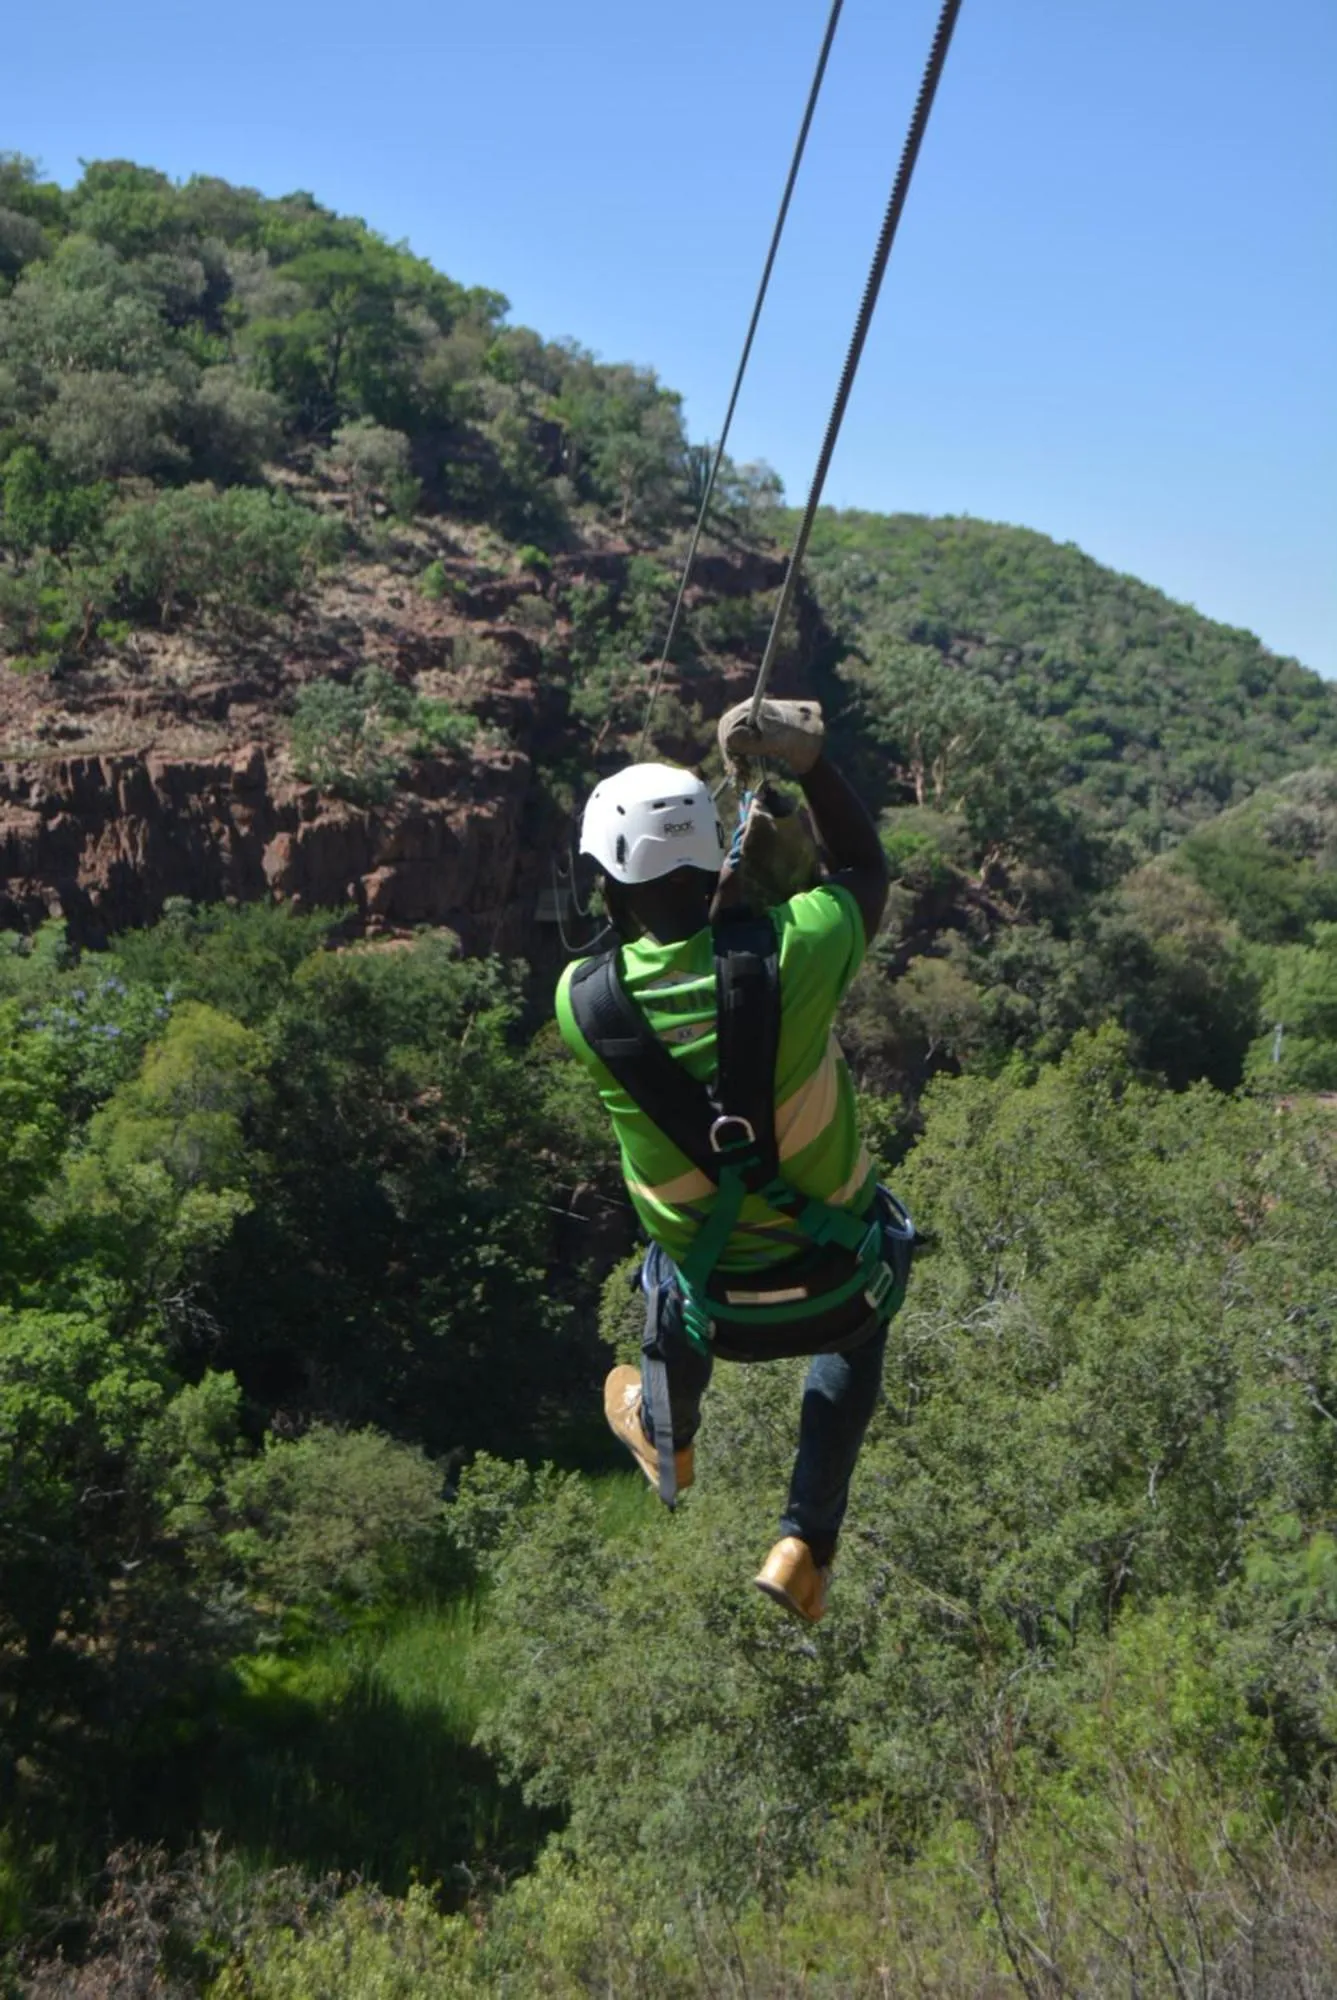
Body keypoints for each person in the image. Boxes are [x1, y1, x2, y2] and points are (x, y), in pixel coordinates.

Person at [554, 698, 909, 1623]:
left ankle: (669, 1433)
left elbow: (654, 953)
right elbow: (865, 869)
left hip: (717, 1310)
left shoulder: (580, 1006)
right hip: (837, 1280)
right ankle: (805, 1542)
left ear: (601, 881)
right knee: (859, 1319)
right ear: (716, 856)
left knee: (665, 1266)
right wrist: (811, 766)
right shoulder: (803, 946)